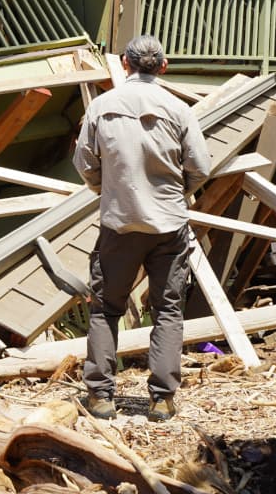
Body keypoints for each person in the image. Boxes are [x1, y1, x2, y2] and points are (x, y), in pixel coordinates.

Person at [73, 35, 210, 422]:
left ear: (124, 63)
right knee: (168, 309)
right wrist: (176, 193)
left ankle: (100, 396)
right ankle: (162, 400)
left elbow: (84, 163)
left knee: (104, 309)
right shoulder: (179, 109)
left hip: (119, 224)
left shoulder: (101, 106)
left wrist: (107, 190)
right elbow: (201, 166)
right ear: (163, 67)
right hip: (169, 226)